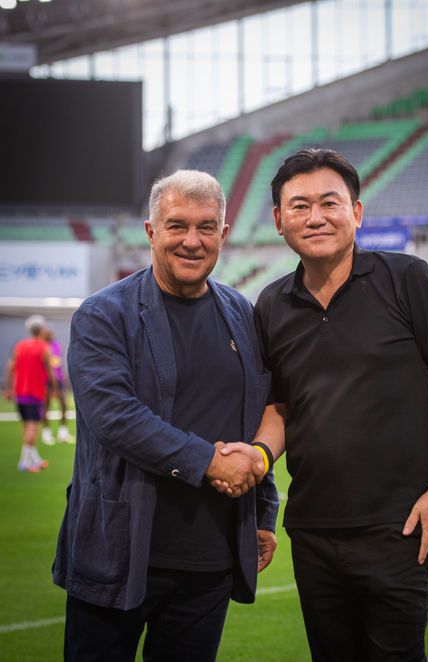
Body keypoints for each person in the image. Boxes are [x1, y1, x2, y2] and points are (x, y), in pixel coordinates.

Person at [217, 148, 428, 661]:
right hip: (312, 530)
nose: (315, 217)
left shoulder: (407, 278)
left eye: (329, 203)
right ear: (279, 221)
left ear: (356, 212)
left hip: (400, 526)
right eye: (299, 206)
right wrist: (259, 457)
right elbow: (280, 407)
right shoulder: (270, 304)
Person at [52, 169, 279, 662]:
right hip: (119, 552)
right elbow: (115, 417)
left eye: (206, 227)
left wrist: (263, 512)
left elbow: (253, 413)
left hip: (210, 559)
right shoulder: (103, 314)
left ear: (224, 233)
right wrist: (210, 462)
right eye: (177, 225)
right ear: (151, 231)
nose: (191, 241)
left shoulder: (242, 313)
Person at [4, 314, 54, 473]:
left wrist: (8, 389)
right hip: (35, 393)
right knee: (33, 428)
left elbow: (9, 368)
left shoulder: (20, 346)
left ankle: (34, 459)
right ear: (42, 329)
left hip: (20, 394)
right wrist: (54, 387)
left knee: (27, 427)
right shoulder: (44, 347)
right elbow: (50, 371)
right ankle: (24, 463)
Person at [41, 327, 74, 445]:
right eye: (49, 334)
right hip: (46, 380)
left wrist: (62, 376)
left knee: (64, 405)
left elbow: (58, 363)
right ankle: (46, 433)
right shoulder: (42, 346)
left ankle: (63, 433)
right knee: (46, 406)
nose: (52, 335)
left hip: (58, 380)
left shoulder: (56, 345)